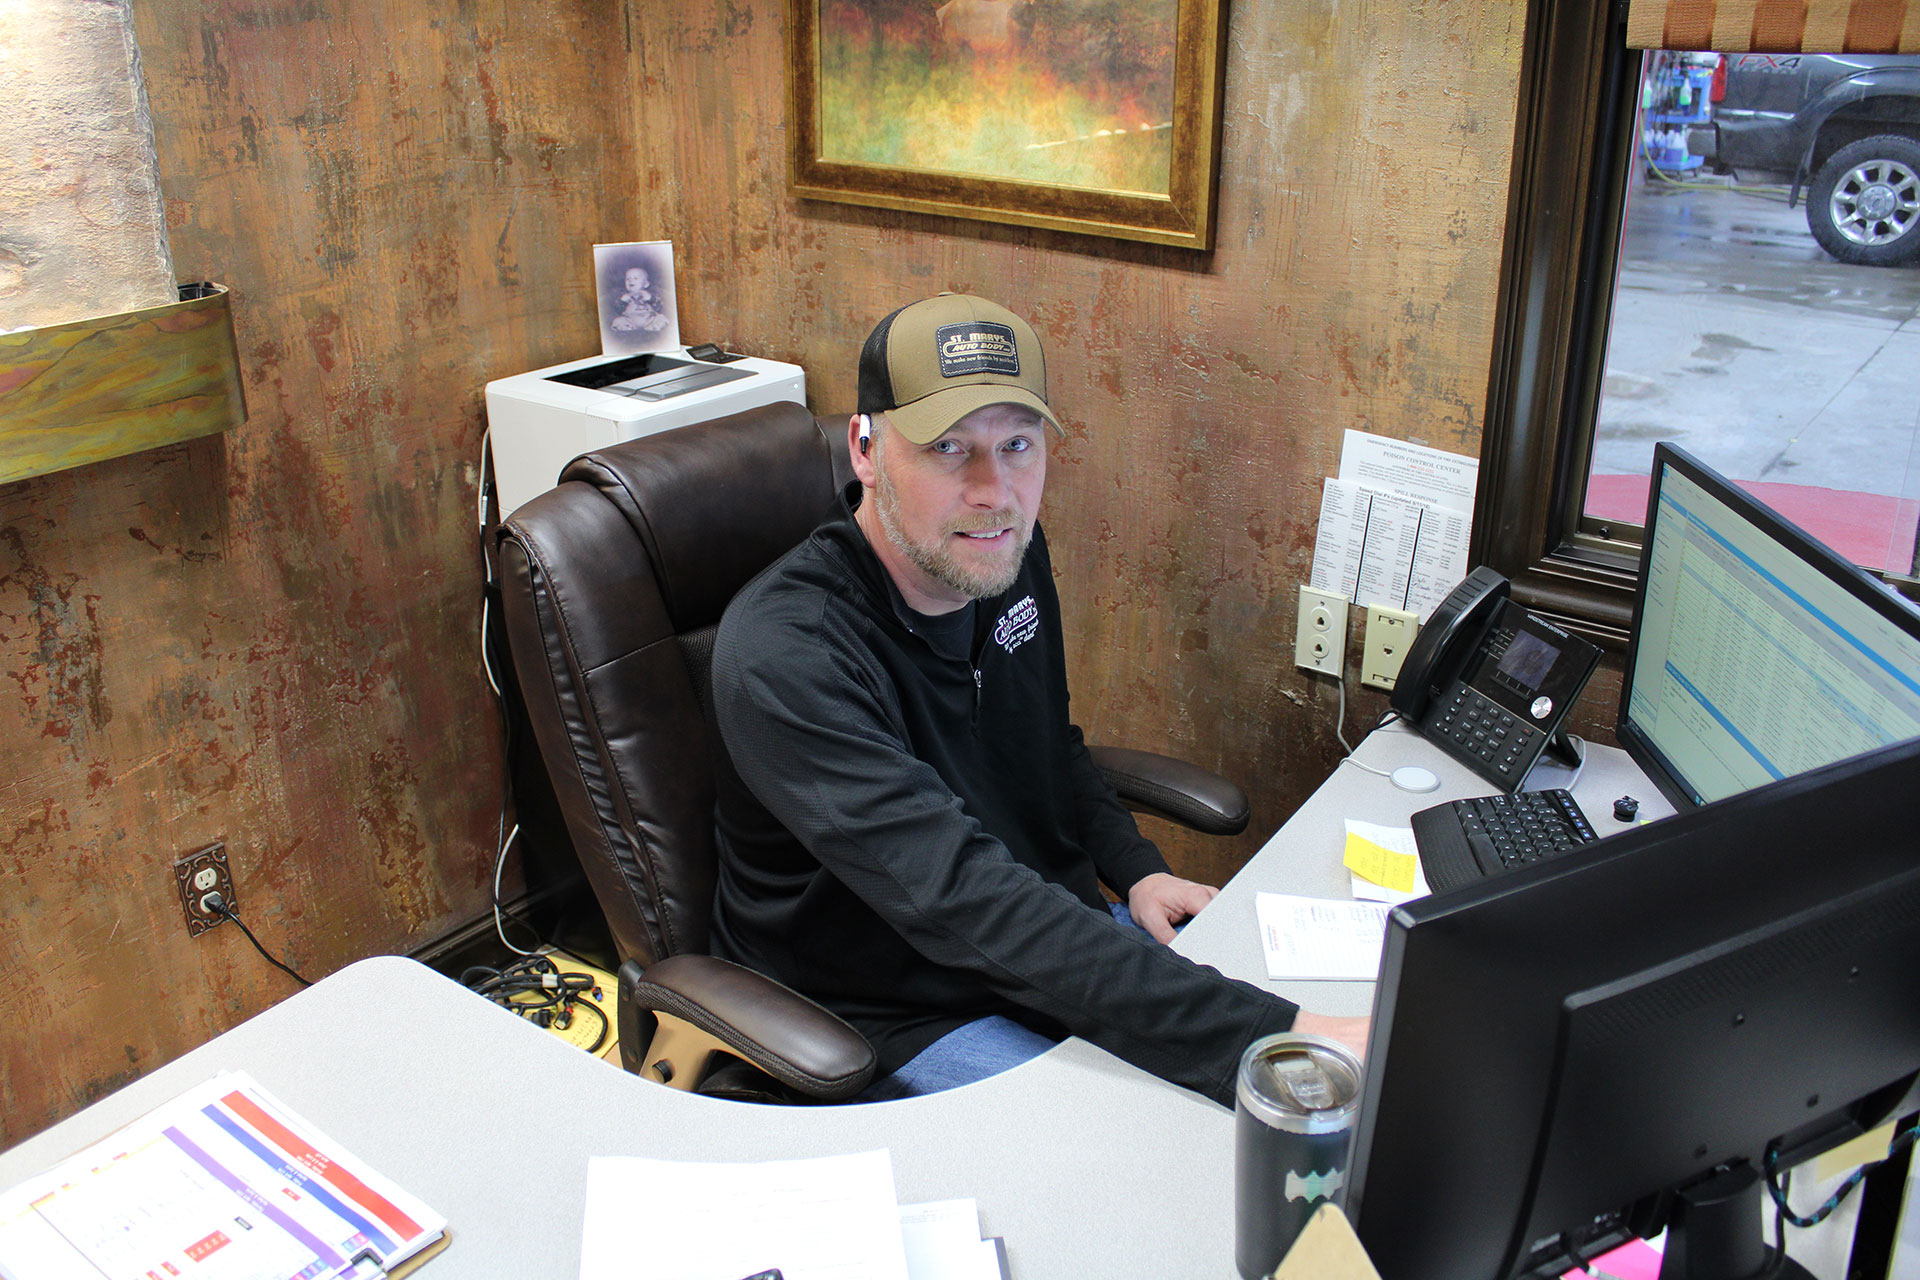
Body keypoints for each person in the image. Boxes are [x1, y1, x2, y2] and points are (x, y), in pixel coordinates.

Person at [708, 293, 1366, 1106]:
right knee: (1180, 1135)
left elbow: (1047, 743)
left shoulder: (999, 555)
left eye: (1017, 444)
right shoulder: (787, 652)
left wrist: (1134, 870)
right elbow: (962, 899)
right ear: (866, 450)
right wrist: (1279, 1038)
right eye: (948, 447)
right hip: (895, 1004)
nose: (995, 491)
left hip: (1041, 937)